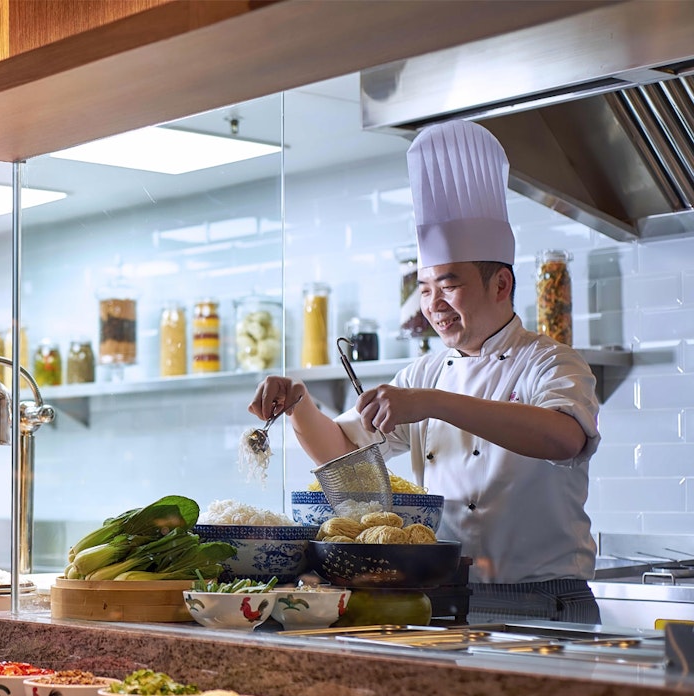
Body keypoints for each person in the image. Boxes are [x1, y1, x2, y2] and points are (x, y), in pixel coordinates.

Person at [249, 120, 601, 624]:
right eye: (425, 288)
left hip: (544, 600)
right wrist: (298, 404)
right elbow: (344, 453)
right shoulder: (423, 373)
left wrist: (432, 403)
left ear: (501, 285)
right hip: (442, 598)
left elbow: (564, 438)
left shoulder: (550, 361)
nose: (432, 305)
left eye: (449, 286)